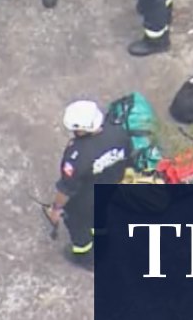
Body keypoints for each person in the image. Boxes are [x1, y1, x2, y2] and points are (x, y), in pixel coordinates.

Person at [45, 100, 132, 270]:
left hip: (85, 203)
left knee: (79, 229)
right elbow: (128, 155)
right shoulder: (118, 132)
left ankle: (85, 256)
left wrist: (56, 209)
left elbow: (66, 188)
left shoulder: (77, 155)